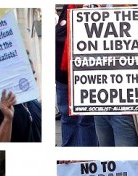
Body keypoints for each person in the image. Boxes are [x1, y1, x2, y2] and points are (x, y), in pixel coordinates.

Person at [93, 5, 138, 146]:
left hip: (126, 107)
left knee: (126, 162)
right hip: (99, 102)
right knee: (107, 159)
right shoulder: (93, 19)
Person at [56, 5, 98, 147]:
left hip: (86, 77)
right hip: (63, 78)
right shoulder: (66, 10)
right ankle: (68, 159)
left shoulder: (95, 9)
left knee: (85, 119)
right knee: (67, 117)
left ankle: (87, 157)